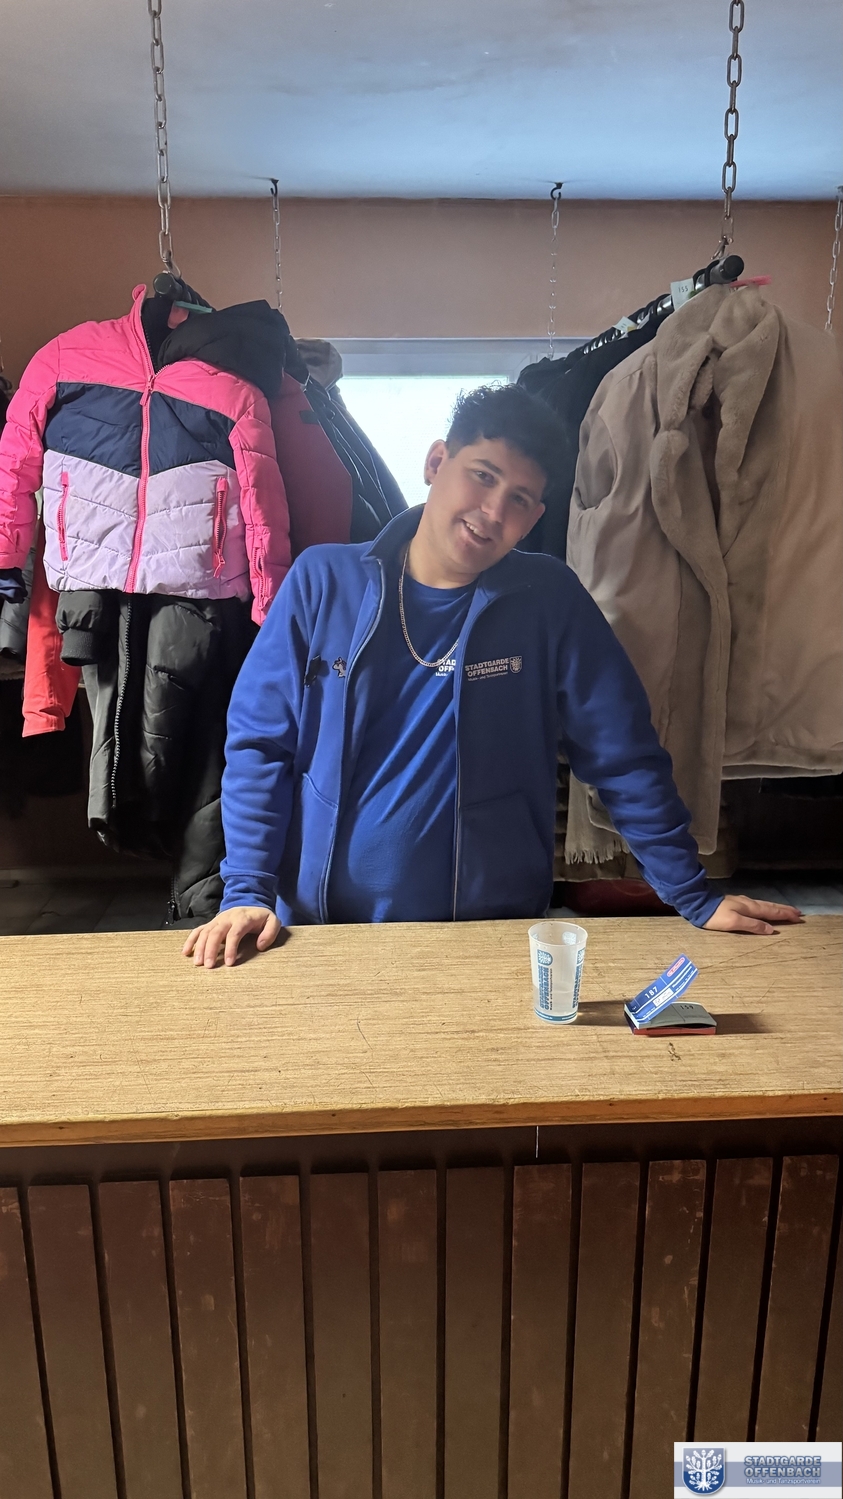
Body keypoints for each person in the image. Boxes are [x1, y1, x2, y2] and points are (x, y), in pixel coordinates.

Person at [184, 384, 800, 968]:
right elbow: (261, 743)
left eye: (520, 499)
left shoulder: (549, 600)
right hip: (322, 929)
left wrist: (690, 893)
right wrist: (247, 890)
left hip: (492, 931)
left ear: (535, 518)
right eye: (483, 476)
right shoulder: (322, 582)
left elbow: (623, 752)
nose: (493, 511)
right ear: (436, 462)